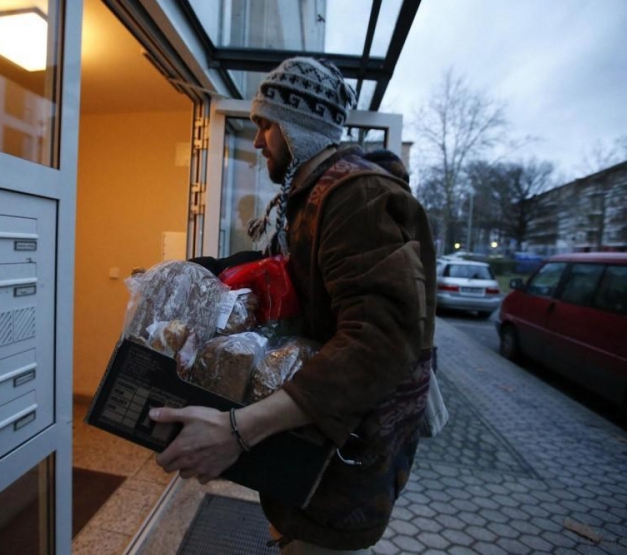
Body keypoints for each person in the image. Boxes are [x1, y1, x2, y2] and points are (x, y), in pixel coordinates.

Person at [150, 57, 437, 553]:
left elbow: (379, 341)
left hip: (341, 470)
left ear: (297, 127)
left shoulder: (355, 196)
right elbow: (291, 275)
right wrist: (194, 271)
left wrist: (237, 431)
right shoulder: (310, 194)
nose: (258, 140)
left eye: (266, 125)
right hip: (308, 455)